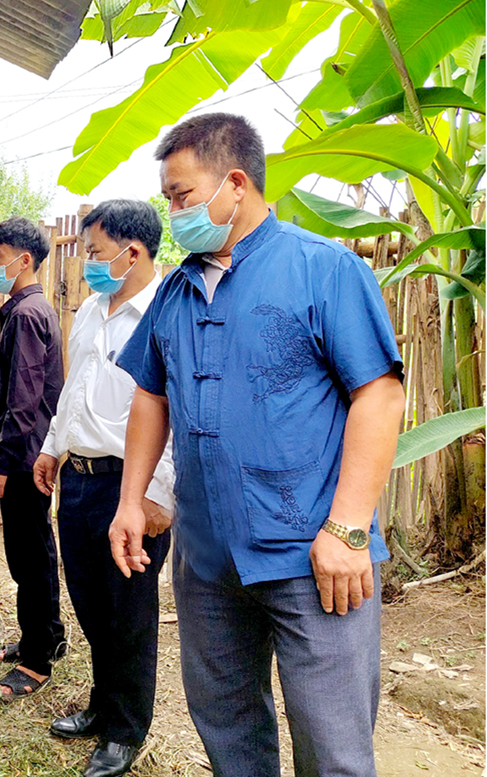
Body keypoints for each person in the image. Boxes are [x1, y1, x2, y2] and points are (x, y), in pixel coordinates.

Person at [110, 113, 405, 777]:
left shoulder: (321, 269)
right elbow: (151, 395)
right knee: (228, 729)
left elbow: (380, 396)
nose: (172, 210)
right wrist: (132, 499)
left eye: (181, 195)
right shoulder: (176, 291)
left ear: (234, 184)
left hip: (315, 558)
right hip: (209, 562)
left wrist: (350, 527)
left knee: (332, 750)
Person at [32, 200, 174, 777]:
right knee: (90, 601)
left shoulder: (167, 312)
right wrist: (51, 445)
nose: (87, 262)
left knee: (129, 612)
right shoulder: (90, 310)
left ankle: (124, 731)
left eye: (94, 252)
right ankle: (100, 704)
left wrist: (155, 494)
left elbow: (178, 411)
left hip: (130, 486)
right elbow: (74, 388)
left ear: (131, 251)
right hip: (81, 480)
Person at [0, 216, 66, 700]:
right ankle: (47, 638)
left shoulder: (28, 315)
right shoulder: (26, 310)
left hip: (25, 460)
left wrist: (0, 462)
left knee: (29, 559)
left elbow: (23, 401)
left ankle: (35, 663)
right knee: (36, 552)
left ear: (24, 259)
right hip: (31, 456)